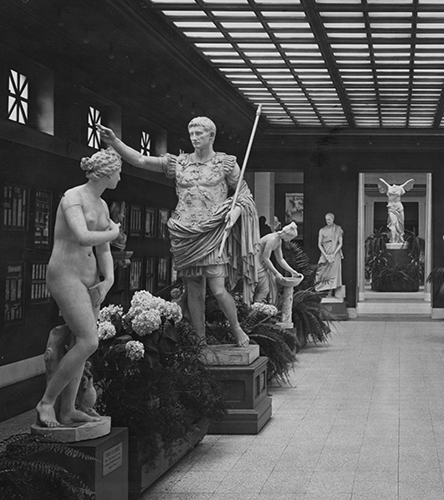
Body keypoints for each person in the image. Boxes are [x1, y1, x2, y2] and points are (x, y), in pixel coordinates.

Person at [97, 118, 259, 347]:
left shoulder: (225, 163)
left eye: (199, 133)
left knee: (218, 288)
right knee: (193, 287)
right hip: (185, 232)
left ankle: (236, 328)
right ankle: (200, 340)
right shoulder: (178, 163)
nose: (194, 137)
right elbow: (141, 160)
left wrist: (237, 210)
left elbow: (244, 193)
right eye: (191, 132)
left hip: (212, 232)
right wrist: (115, 142)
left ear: (211, 136)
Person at [36, 148, 122, 428]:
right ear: (107, 173)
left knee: (79, 344)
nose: (120, 177)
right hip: (66, 274)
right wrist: (114, 231)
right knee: (89, 341)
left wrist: (107, 280)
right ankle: (47, 403)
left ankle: (68, 410)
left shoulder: (102, 205)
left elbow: (104, 251)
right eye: (118, 172)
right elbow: (85, 237)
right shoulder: (73, 198)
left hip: (90, 280)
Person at [254, 222, 303, 303]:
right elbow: (265, 258)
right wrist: (276, 273)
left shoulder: (278, 240)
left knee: (272, 285)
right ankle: (256, 310)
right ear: (286, 234)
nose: (290, 240)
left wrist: (292, 271)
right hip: (256, 263)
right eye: (291, 237)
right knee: (264, 288)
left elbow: (280, 259)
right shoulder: (273, 239)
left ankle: (263, 308)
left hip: (261, 262)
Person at [378, 178, 414, 244]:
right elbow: (382, 181)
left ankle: (400, 238)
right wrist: (381, 180)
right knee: (393, 223)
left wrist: (409, 181)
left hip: (399, 207)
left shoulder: (400, 188)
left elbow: (408, 183)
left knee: (401, 223)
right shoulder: (388, 187)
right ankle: (393, 239)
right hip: (391, 207)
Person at [316, 213, 344, 295]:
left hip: (335, 254)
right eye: (326, 219)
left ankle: (331, 292)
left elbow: (340, 243)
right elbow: (319, 244)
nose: (327, 221)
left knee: (334, 273)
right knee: (320, 271)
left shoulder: (338, 229)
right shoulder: (322, 230)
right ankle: (320, 291)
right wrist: (326, 255)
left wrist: (333, 254)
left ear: (333, 219)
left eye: (329, 219)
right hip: (325, 253)